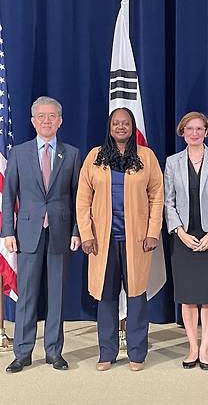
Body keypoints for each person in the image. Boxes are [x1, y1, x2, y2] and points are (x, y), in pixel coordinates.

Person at [76, 107, 164, 372]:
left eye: (126, 123)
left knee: (137, 296)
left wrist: (152, 232)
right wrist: (86, 234)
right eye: (116, 123)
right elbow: (82, 199)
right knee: (106, 298)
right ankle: (107, 353)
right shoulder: (95, 156)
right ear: (109, 127)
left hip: (137, 240)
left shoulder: (146, 157)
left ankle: (137, 354)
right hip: (103, 242)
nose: (121, 127)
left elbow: (157, 195)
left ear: (133, 126)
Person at [1, 96, 82, 373]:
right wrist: (7, 231)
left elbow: (78, 198)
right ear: (33, 121)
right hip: (27, 233)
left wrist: (77, 230)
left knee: (57, 294)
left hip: (61, 232)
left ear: (60, 121)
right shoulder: (19, 153)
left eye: (52, 116)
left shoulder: (71, 154)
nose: (46, 121)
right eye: (41, 116)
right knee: (27, 296)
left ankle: (54, 352)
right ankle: (22, 353)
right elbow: (8, 195)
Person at [164, 112, 208, 370]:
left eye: (199, 128)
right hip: (182, 236)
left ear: (207, 132)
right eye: (189, 129)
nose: (194, 133)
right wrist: (179, 232)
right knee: (189, 296)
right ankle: (192, 346)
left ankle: (205, 349)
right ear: (182, 132)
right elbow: (167, 201)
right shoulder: (172, 162)